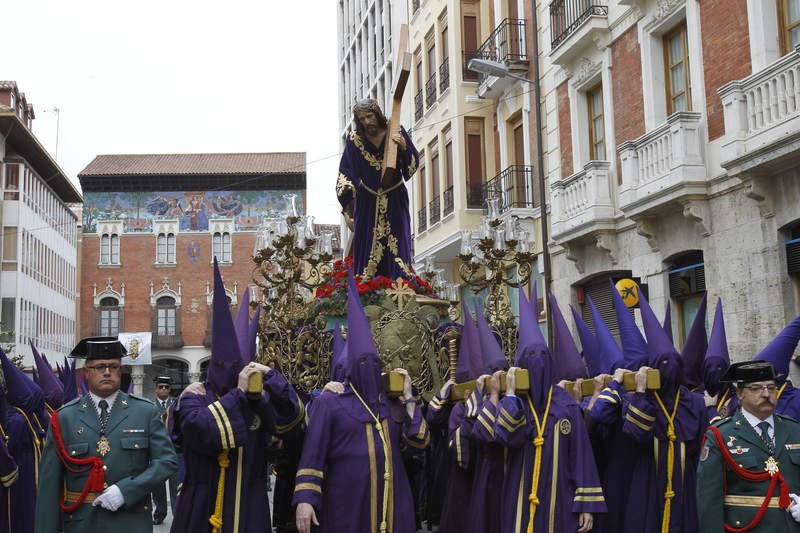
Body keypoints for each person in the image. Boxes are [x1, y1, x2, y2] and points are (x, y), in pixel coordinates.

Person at [170, 260, 305, 533]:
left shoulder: (260, 401)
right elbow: (201, 431)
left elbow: (293, 427)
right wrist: (240, 396)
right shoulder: (195, 397)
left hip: (249, 505)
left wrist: (273, 378)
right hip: (203, 505)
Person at [293, 272, 429, 533]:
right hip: (347, 504)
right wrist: (305, 500)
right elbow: (313, 455)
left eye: (376, 363)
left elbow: (420, 442)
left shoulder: (392, 403)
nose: (371, 368)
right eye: (363, 363)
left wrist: (410, 399)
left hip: (393, 503)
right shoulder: (330, 403)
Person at [490, 287, 606, 532]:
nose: (537, 362)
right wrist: (510, 393)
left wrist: (586, 504)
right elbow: (504, 436)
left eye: (542, 356)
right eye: (530, 357)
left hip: (560, 498)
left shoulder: (565, 406)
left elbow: (581, 455)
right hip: (521, 495)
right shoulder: (516, 404)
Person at [35, 337, 178, 533]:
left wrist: (127, 491)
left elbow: (167, 462)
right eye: (100, 367)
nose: (107, 372)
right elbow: (49, 484)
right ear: (87, 372)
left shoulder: (145, 412)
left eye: (114, 367)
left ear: (121, 370)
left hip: (130, 521)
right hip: (82, 523)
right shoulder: (65, 417)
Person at [697, 360, 800, 531]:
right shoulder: (720, 435)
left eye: (771, 388)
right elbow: (709, 501)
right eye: (756, 388)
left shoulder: (794, 429)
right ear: (739, 394)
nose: (766, 394)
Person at [336, 98, 419, 280]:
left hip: (395, 199)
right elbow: (346, 172)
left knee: (398, 242)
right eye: (362, 118)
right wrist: (348, 207)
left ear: (377, 114)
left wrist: (404, 148)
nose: (367, 122)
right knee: (366, 246)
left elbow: (412, 167)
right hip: (367, 202)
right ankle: (367, 287)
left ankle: (400, 282)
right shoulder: (355, 139)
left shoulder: (395, 129)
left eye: (369, 116)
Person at [150, 375, 176, 525]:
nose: (164, 389)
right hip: (156, 452)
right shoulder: (150, 406)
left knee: (175, 485)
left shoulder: (175, 405)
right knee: (157, 486)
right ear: (156, 389)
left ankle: (177, 513)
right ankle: (159, 513)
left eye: (166, 387)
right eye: (161, 387)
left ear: (170, 389)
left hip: (173, 451)